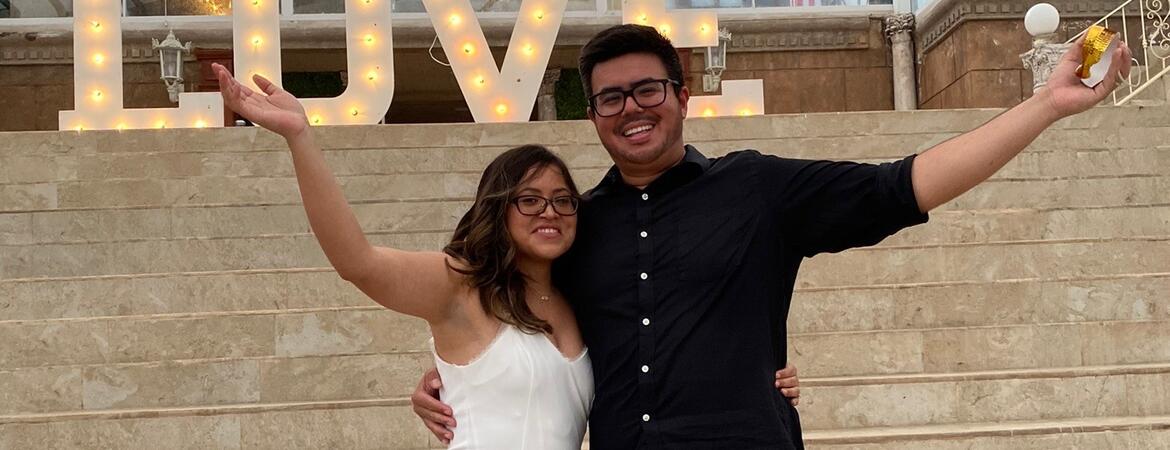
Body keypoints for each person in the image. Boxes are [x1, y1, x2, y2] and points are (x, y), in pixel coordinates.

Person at [411, 24, 1132, 448]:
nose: (631, 108)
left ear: (681, 95)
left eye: (648, 89)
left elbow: (903, 183)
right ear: (594, 114)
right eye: (611, 97)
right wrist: (452, 376)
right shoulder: (575, 227)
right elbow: (510, 312)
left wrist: (1045, 108)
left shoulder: (757, 188)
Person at [210, 61, 800, 449]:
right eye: (530, 199)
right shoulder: (461, 287)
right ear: (500, 207)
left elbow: (661, 345)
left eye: (563, 201)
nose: (550, 212)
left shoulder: (579, 297)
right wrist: (300, 137)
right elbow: (357, 260)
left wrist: (762, 372)